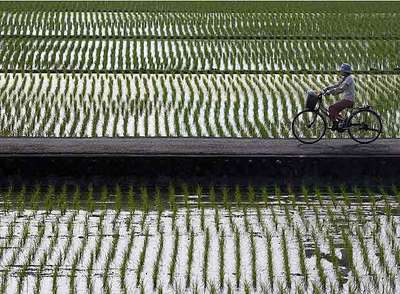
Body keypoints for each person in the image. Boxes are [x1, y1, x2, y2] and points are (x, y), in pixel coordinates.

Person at [322, 63, 355, 130]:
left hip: (348, 100)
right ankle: (342, 121)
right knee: (334, 110)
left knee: (332, 108)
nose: (340, 71)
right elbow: (337, 85)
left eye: (342, 70)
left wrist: (331, 92)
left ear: (345, 71)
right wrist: (327, 88)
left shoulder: (349, 79)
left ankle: (336, 123)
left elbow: (342, 89)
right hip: (346, 99)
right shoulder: (345, 78)